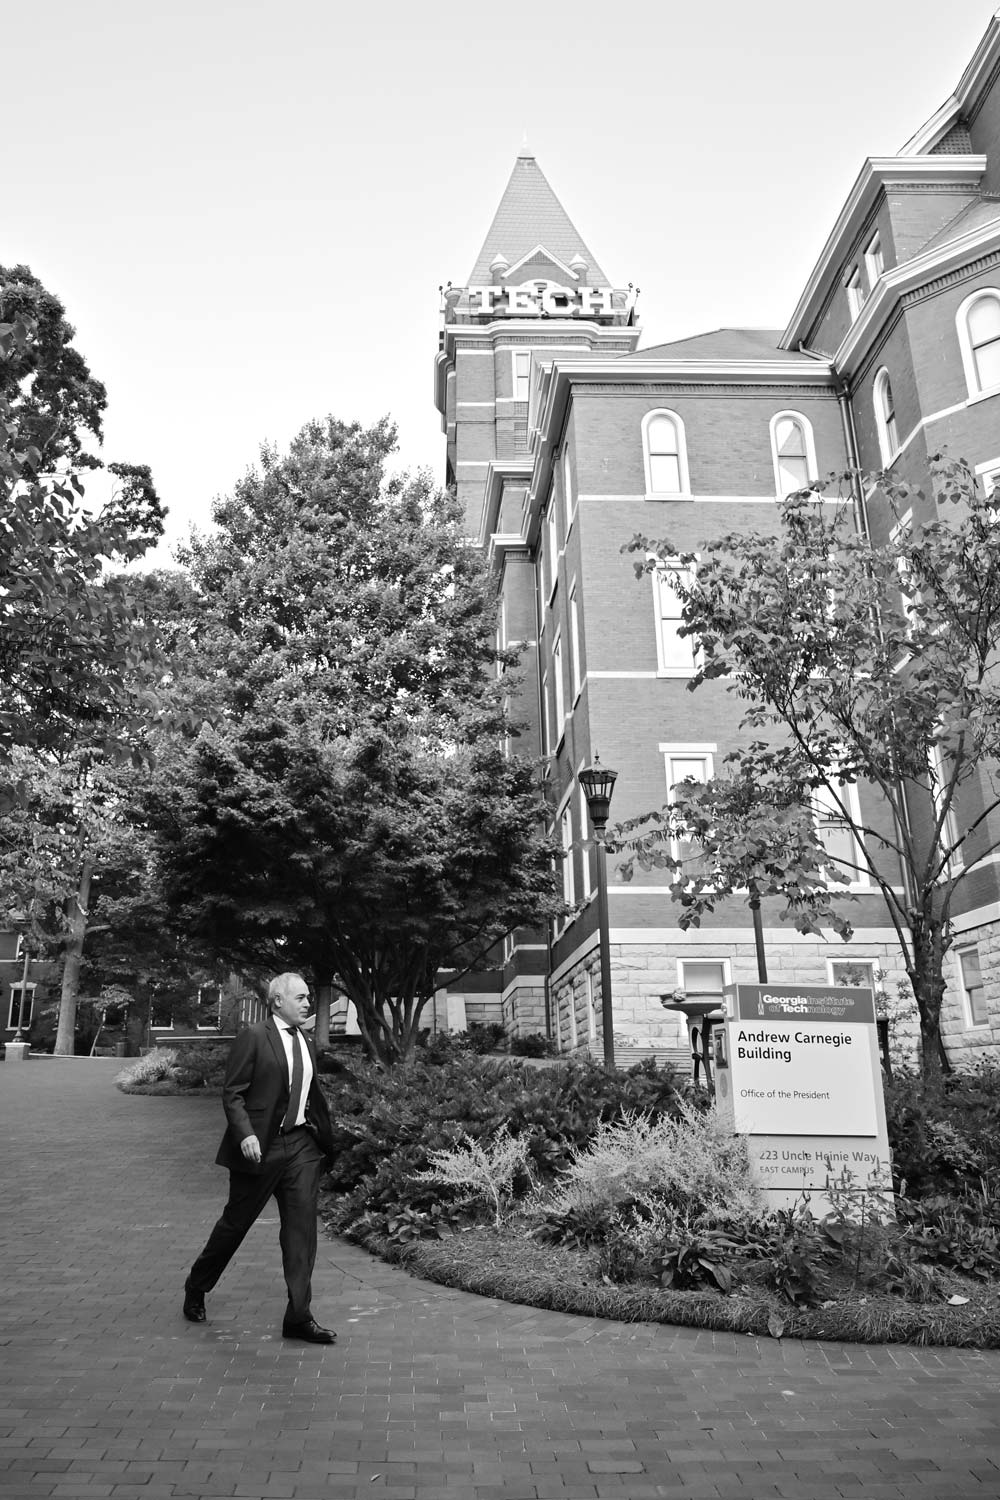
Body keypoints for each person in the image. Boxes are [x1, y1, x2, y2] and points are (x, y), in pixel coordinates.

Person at [182, 972, 337, 1343]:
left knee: (301, 1232)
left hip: (301, 1147)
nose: (306, 1003)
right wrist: (246, 1133)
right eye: (299, 997)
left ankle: (298, 1316)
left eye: (307, 997)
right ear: (277, 1001)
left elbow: (309, 1092)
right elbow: (232, 1092)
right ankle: (196, 1286)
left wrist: (321, 1136)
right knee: (235, 1225)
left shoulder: (306, 1040)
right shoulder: (254, 1037)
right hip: (261, 1149)